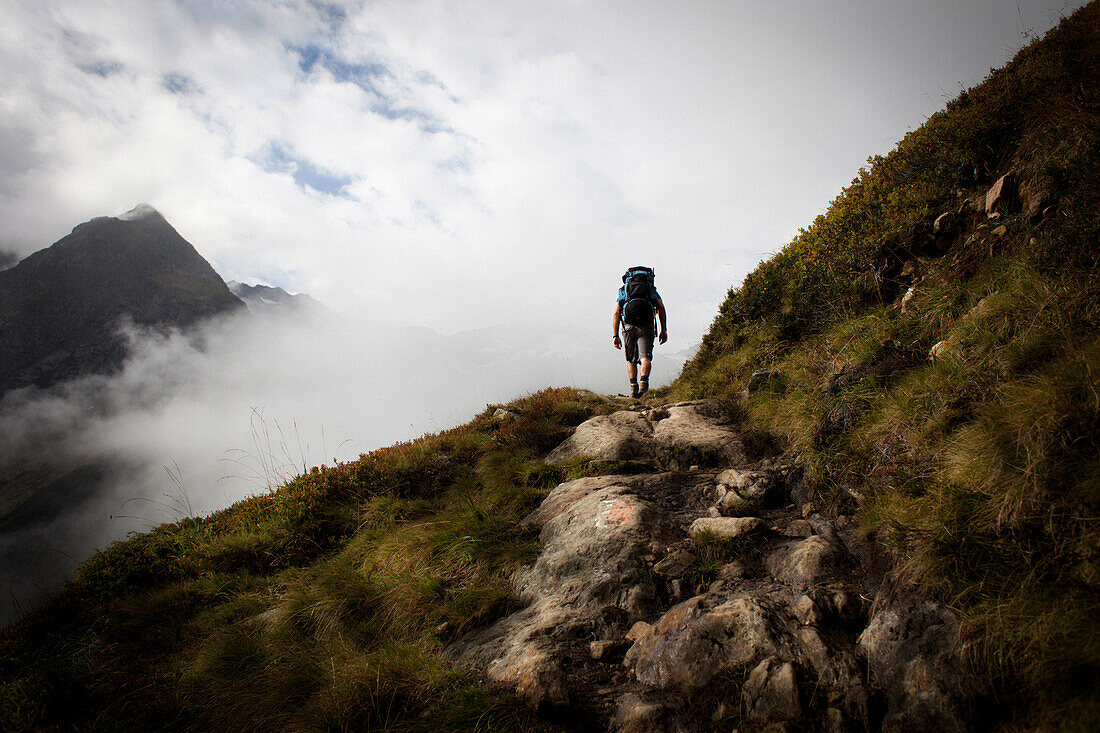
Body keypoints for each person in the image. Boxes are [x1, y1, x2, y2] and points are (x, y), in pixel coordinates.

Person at [612, 267, 667, 398]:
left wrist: (615, 335)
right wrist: (663, 329)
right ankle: (643, 387)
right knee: (645, 357)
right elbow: (661, 307)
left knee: (631, 360)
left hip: (628, 327)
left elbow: (616, 312)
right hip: (646, 326)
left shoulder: (623, 290)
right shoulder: (651, 289)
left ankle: (633, 389)